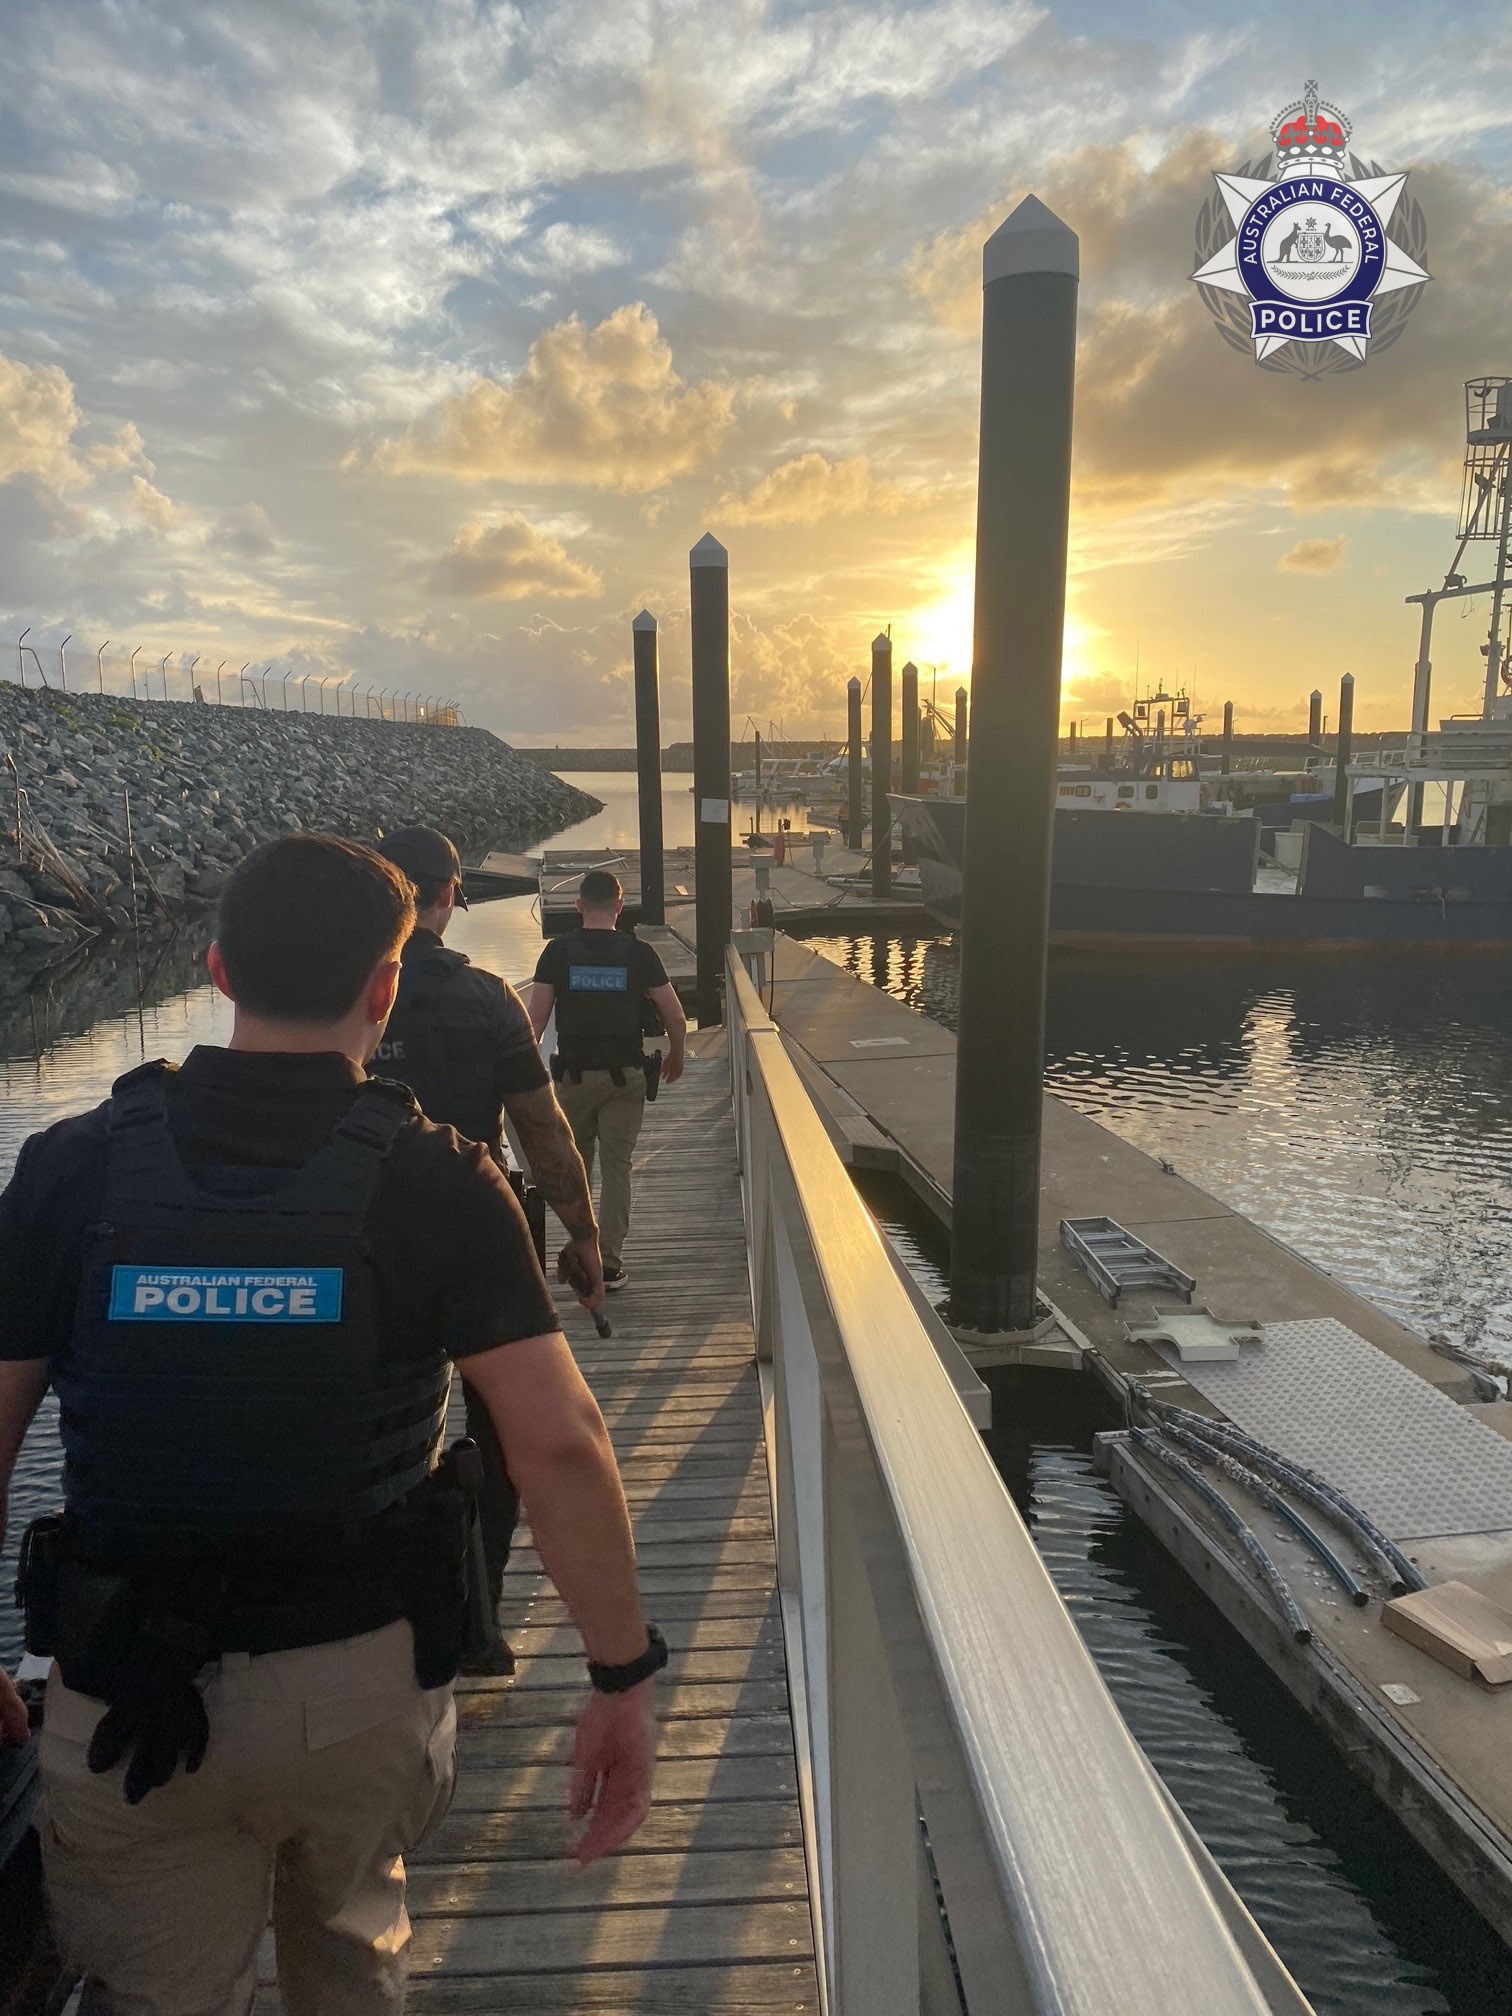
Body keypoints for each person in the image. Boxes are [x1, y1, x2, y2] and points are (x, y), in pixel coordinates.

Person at [0, 834, 664, 2016]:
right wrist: (621, 1675)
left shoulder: (72, 1169)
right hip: (357, 1691)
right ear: (385, 984)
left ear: (216, 969)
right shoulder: (441, 1179)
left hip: (117, 1690)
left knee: (150, 1994)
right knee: (352, 1965)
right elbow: (558, 1442)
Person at [373, 826, 603, 1675]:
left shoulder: (342, 991)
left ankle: (377, 1615)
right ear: (446, 898)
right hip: (481, 1224)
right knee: (500, 1432)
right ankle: (477, 1619)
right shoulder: (485, 999)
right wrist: (582, 1236)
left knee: (383, 1421)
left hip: (355, 1229)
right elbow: (541, 1129)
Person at [529, 870, 687, 1291]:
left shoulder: (557, 952)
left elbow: (535, 1023)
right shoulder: (639, 953)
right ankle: (611, 1263)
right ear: (620, 906)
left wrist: (525, 1080)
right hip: (625, 1080)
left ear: (578, 907)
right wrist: (676, 1054)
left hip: (573, 1081)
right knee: (618, 1169)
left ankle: (583, 1250)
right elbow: (673, 1013)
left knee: (576, 1166)